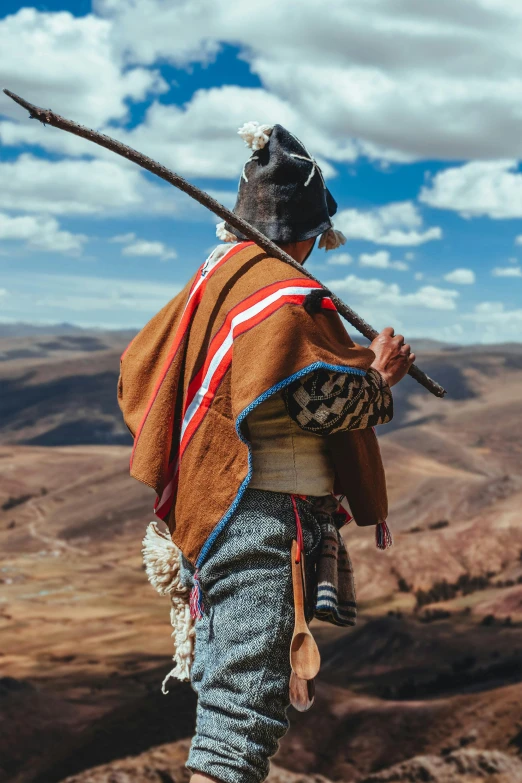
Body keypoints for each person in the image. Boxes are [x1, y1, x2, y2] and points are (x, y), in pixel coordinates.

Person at [118, 121, 415, 783]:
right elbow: (317, 402)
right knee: (239, 722)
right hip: (263, 523)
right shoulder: (281, 294)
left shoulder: (217, 285)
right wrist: (379, 378)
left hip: (225, 520)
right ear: (311, 232)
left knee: (236, 705)